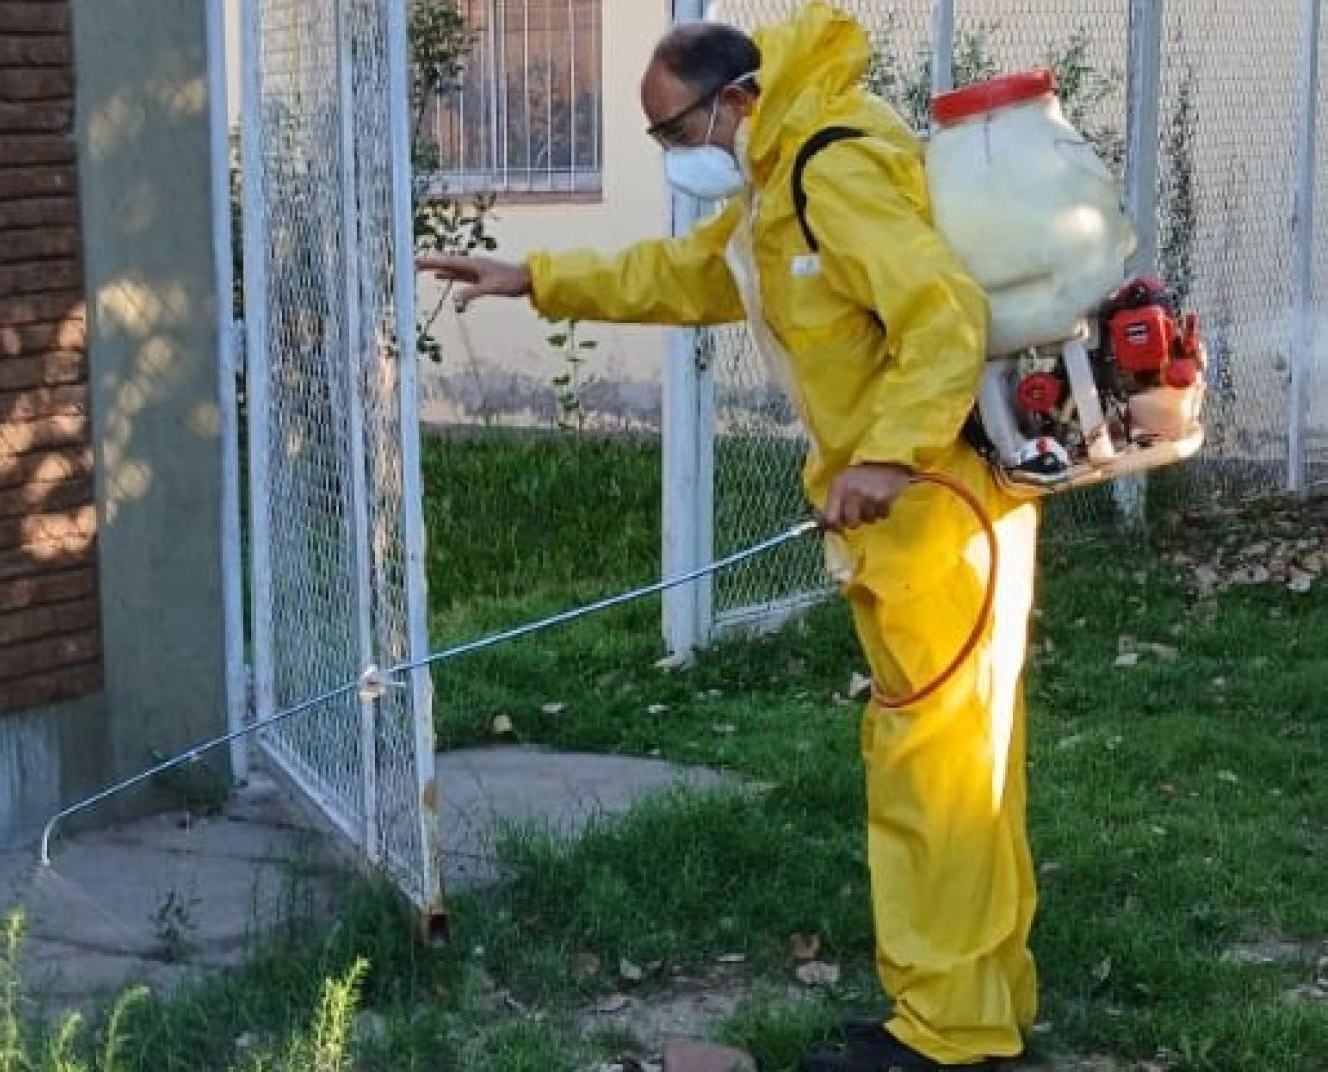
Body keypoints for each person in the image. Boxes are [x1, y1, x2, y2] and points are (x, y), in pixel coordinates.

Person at [418, 4, 1042, 1070]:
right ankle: (976, 1009)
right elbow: (692, 276)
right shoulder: (777, 187)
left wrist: (886, 455)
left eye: (673, 130)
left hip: (937, 511)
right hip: (921, 515)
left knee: (933, 776)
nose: (672, 154)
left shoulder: (828, 172)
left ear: (738, 98)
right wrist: (536, 278)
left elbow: (941, 315)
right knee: (960, 766)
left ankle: (943, 1034)